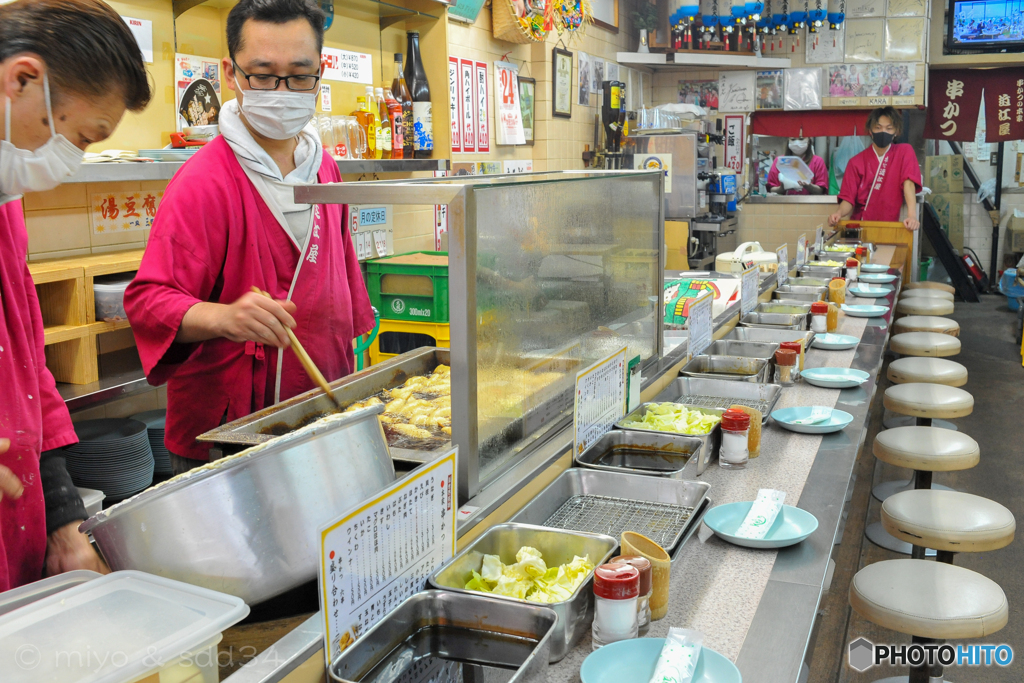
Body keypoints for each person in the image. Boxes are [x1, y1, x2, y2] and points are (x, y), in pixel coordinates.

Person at [125, 0, 374, 475]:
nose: (282, 91)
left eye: (300, 75)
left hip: (323, 412)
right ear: (230, 72)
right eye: (262, 75)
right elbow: (148, 299)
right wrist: (223, 316)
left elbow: (339, 285)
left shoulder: (325, 167)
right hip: (230, 434)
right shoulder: (205, 180)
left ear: (320, 71)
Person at [0, 0, 151, 591]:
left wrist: (63, 517)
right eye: (83, 137)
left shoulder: (7, 202)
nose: (74, 160)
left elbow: (26, 365)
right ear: (22, 79)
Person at [828, 107, 921, 230]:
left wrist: (912, 216)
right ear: (870, 131)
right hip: (860, 225)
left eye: (889, 128)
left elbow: (909, 184)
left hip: (889, 226)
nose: (883, 132)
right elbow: (848, 199)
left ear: (896, 132)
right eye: (878, 128)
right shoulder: (855, 162)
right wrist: (838, 213)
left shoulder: (904, 152)